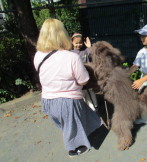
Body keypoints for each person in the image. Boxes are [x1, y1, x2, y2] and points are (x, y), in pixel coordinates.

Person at [33, 18, 101, 158]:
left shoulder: (38, 55)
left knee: (68, 124)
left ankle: (79, 138)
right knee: (72, 126)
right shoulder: (71, 57)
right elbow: (83, 80)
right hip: (68, 101)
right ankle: (75, 148)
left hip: (47, 100)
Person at [71, 32, 98, 111]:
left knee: (91, 91)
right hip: (78, 78)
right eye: (76, 43)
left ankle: (95, 107)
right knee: (82, 94)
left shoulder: (86, 50)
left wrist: (90, 47)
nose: (78, 45)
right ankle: (85, 108)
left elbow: (94, 54)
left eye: (80, 43)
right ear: (72, 42)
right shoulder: (71, 52)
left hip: (88, 76)